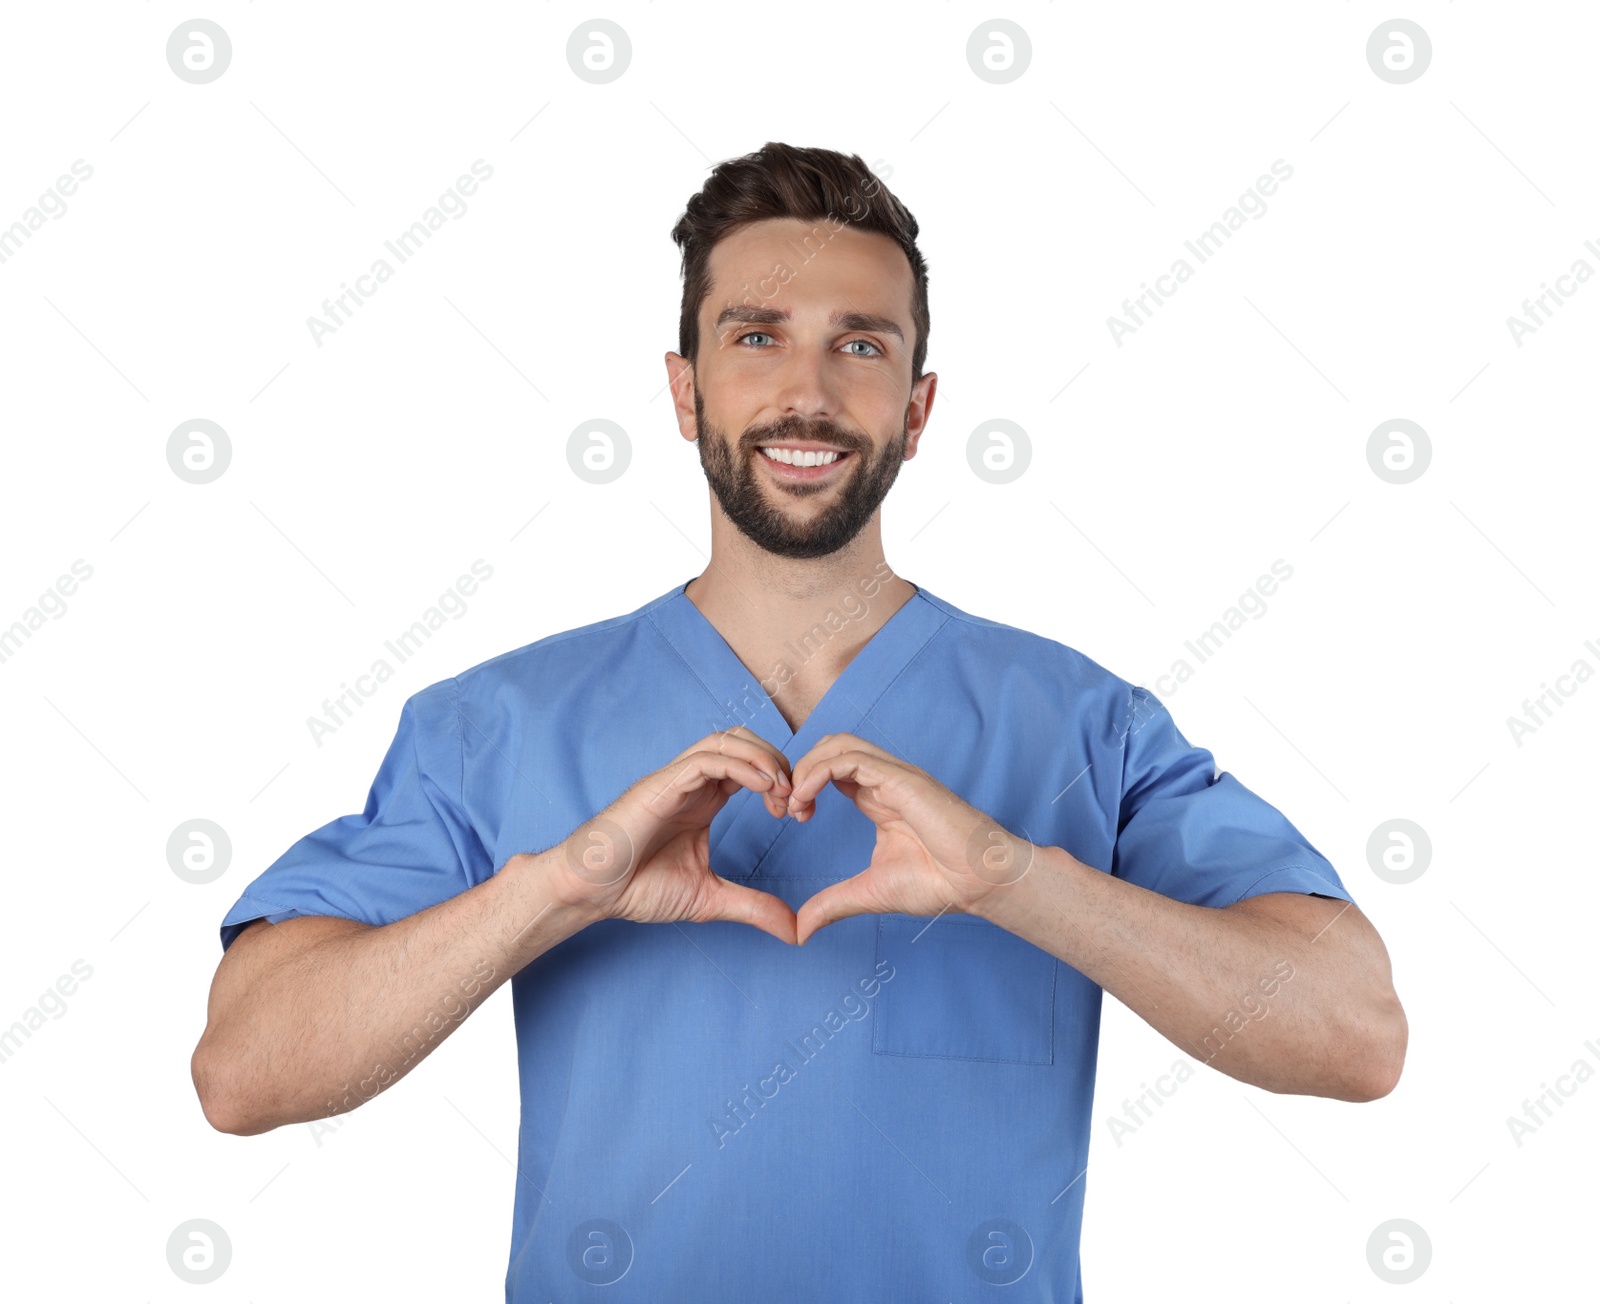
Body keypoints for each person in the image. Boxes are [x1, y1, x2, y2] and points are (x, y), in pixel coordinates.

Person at [192, 141, 1406, 1302]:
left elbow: (1355, 1035)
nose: (807, 392)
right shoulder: (495, 724)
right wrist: (558, 885)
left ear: (919, 407)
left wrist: (1013, 875)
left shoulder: (1085, 727)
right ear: (683, 387)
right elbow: (244, 1071)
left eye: (859, 345)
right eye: (756, 336)